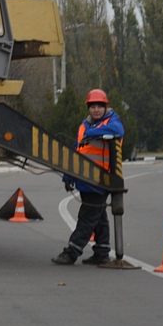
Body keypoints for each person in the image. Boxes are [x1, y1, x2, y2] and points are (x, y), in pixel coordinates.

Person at [52, 88, 124, 266]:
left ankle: (72, 252)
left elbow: (117, 131)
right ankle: (101, 252)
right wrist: (68, 176)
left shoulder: (112, 121)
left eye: (100, 106)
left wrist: (91, 133)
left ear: (105, 106)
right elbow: (76, 152)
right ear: (88, 108)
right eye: (93, 106)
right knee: (98, 217)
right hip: (84, 180)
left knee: (87, 216)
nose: (96, 110)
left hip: (101, 180)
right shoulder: (84, 125)